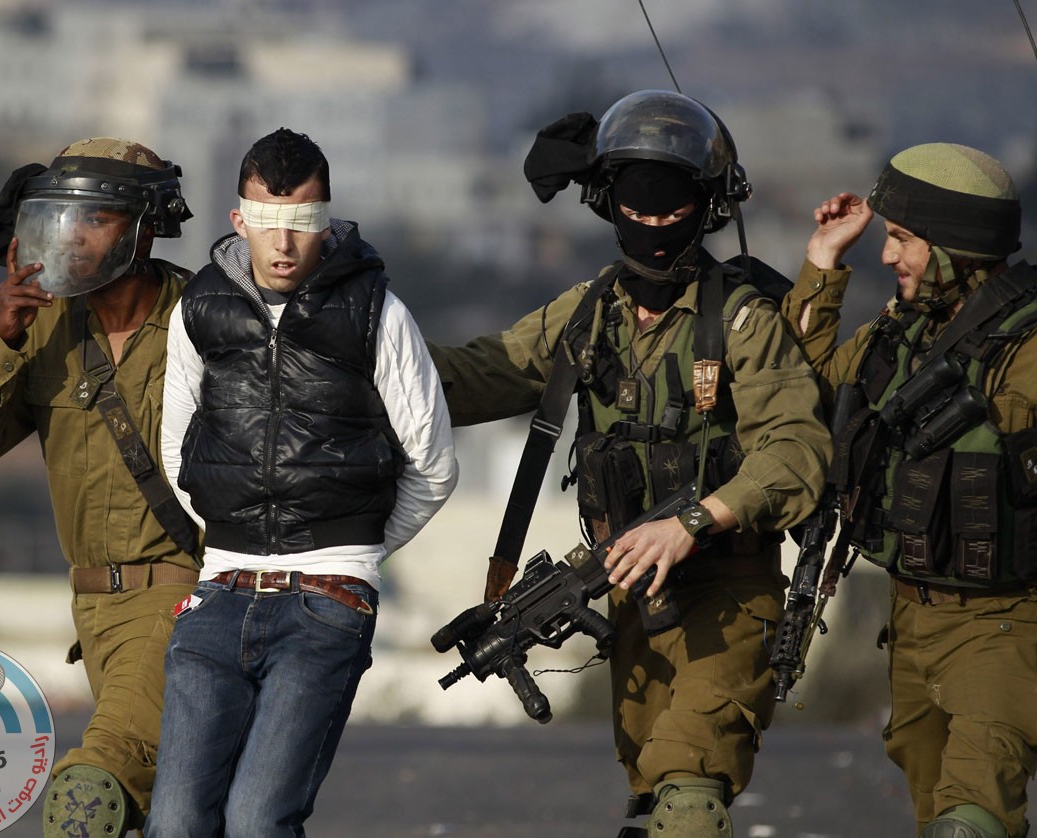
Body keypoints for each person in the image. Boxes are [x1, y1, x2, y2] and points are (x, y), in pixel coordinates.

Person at [427, 90, 831, 836]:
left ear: (706, 208)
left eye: (668, 210)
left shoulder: (742, 320)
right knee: (650, 800)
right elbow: (468, 378)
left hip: (728, 591)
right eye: (634, 211)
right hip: (633, 602)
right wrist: (355, 344)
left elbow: (797, 453)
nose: (649, 229)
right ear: (607, 206)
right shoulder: (589, 313)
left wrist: (695, 520)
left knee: (688, 797)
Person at [145, 127, 457, 838]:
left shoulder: (380, 312)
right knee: (174, 822)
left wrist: (352, 552)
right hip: (219, 591)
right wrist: (233, 536)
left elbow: (434, 464)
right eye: (269, 222)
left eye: (304, 224)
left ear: (329, 221)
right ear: (240, 220)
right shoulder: (198, 310)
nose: (284, 244)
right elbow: (177, 445)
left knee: (257, 821)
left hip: (328, 601)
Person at [0, 138, 199, 837]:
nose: (74, 237)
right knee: (177, 813)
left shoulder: (204, 319)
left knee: (89, 794)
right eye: (66, 218)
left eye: (98, 219)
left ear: (146, 229)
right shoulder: (46, 325)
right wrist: (5, 339)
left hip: (185, 599)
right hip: (93, 613)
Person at [783, 143, 1037, 838]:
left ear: (957, 248)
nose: (889, 257)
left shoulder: (1027, 347)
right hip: (913, 619)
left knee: (972, 817)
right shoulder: (898, 339)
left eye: (903, 240)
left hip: (1006, 622)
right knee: (936, 814)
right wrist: (823, 263)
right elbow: (801, 394)